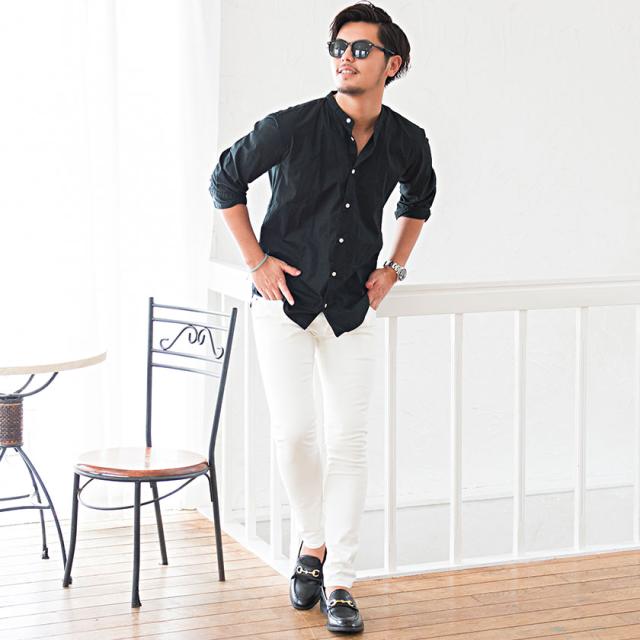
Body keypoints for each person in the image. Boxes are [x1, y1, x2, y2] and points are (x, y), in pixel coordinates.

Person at [209, 1, 436, 633]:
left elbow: (419, 199)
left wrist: (394, 268)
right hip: (284, 305)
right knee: (294, 435)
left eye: (361, 49)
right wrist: (256, 261)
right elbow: (225, 181)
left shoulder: (407, 140)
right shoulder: (291, 127)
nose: (345, 58)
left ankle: (341, 581)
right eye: (339, 47)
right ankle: (312, 542)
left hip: (351, 311)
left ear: (392, 64)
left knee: (349, 442)